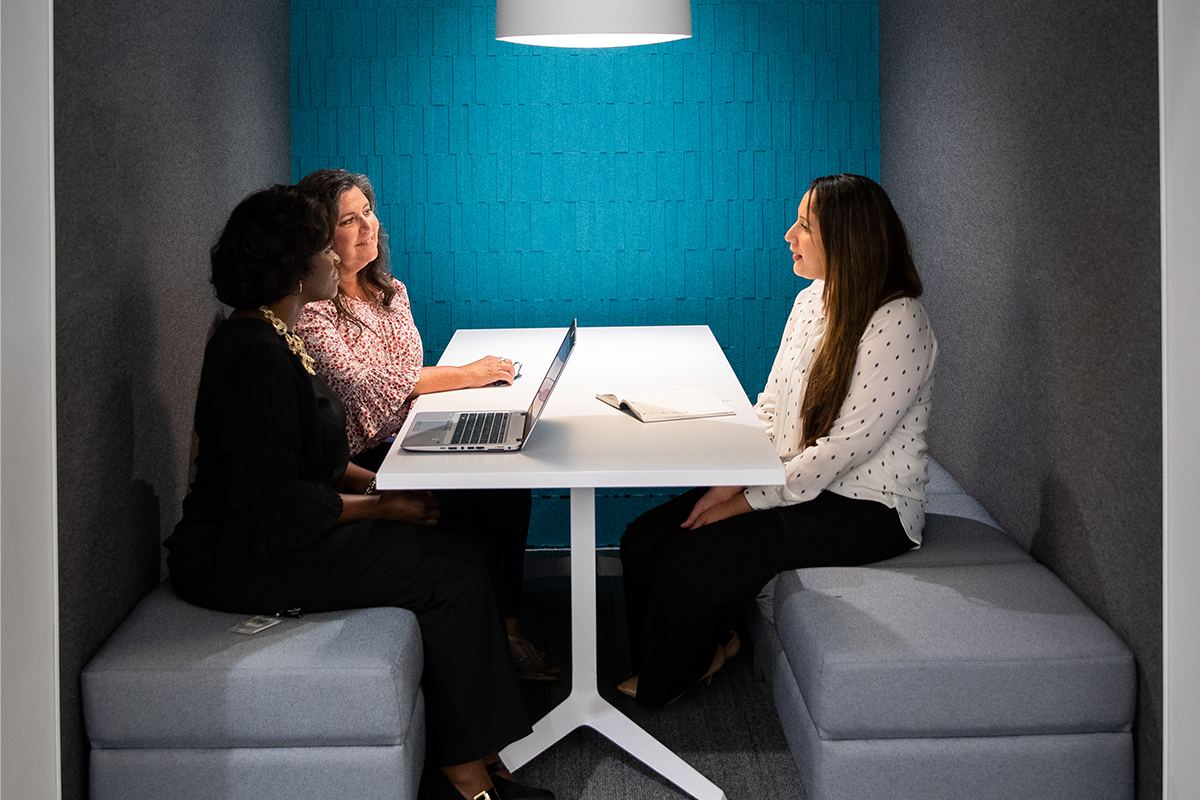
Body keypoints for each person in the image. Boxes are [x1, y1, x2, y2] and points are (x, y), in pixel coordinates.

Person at [165, 186, 552, 800]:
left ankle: (482, 753)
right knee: (449, 571)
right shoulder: (255, 359)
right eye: (326, 243)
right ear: (294, 269)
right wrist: (387, 505)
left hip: (280, 528)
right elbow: (283, 511)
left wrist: (370, 479)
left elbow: (309, 459)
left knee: (465, 549)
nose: (337, 255)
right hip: (242, 558)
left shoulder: (274, 337)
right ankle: (467, 777)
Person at [618, 174, 938, 709]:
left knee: (690, 563)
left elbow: (841, 451)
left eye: (805, 227)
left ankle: (672, 676)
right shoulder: (813, 299)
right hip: (796, 479)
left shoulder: (898, 321)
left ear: (847, 240)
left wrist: (744, 502)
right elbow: (770, 405)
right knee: (645, 537)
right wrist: (729, 483)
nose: (789, 235)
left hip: (866, 507)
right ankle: (703, 644)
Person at [293, 169, 557, 681]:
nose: (367, 226)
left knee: (510, 481)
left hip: (410, 434)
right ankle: (501, 643)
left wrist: (463, 384)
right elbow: (365, 387)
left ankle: (508, 628)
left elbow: (404, 377)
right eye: (348, 220)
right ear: (320, 237)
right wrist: (462, 375)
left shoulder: (391, 291)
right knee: (489, 495)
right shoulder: (314, 311)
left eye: (367, 211)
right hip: (363, 460)